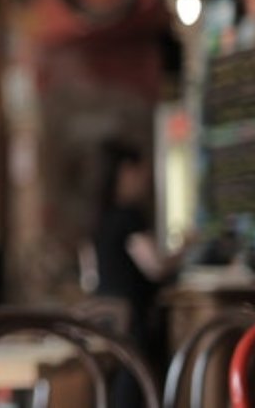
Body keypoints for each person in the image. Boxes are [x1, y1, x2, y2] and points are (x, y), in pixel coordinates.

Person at [84, 139, 193, 405]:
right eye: (141, 172)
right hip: (134, 322)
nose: (146, 180)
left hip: (108, 321)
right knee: (135, 392)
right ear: (126, 172)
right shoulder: (128, 216)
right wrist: (186, 247)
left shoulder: (101, 217)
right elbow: (155, 266)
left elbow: (88, 274)